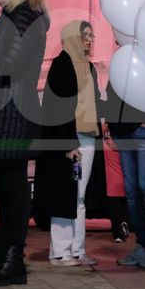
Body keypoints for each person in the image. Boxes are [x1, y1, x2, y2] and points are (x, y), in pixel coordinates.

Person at [0, 0, 48, 285]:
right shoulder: (14, 16)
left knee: (13, 189)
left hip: (13, 115)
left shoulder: (22, 17)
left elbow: (8, 64)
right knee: (6, 190)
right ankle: (4, 255)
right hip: (7, 113)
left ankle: (12, 259)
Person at [37, 21, 105, 266]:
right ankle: (59, 251)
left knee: (80, 196)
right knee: (64, 193)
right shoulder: (62, 65)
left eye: (91, 35)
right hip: (69, 139)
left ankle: (77, 249)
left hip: (87, 137)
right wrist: (67, 143)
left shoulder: (88, 67)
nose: (89, 39)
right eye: (84, 35)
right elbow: (57, 109)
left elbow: (94, 101)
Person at [106, 75, 145, 268]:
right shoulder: (120, 63)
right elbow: (113, 90)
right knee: (131, 190)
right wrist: (112, 127)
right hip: (123, 131)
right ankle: (143, 245)